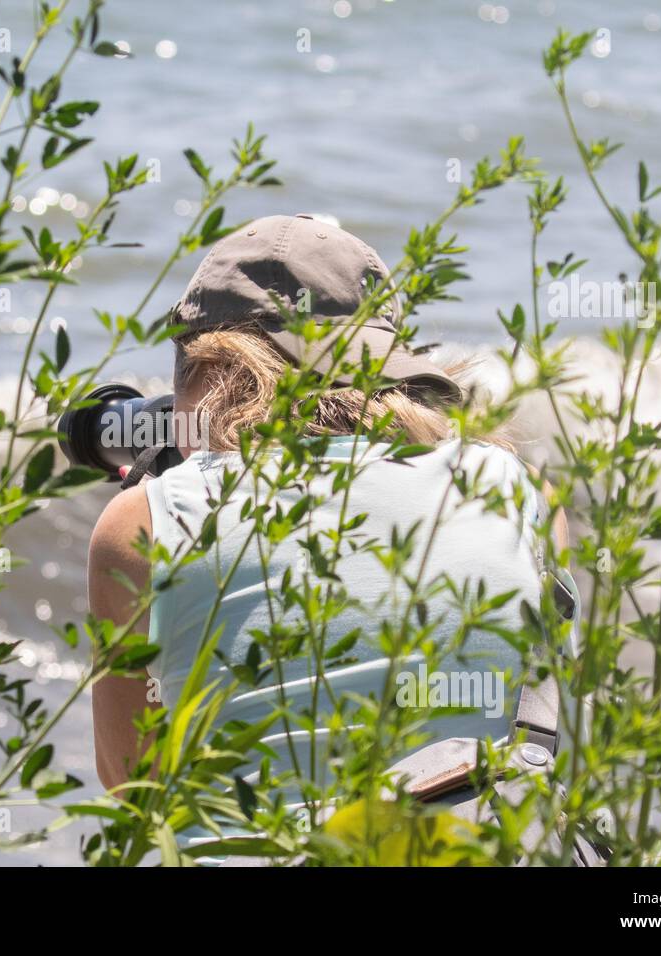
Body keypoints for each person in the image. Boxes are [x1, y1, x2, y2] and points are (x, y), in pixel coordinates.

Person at [88, 214, 572, 826]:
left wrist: (160, 494)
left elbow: (137, 785)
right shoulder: (522, 494)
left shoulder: (142, 524)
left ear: (204, 369)